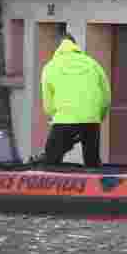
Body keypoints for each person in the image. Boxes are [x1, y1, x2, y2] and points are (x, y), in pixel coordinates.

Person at [40, 33, 111, 168]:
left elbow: (48, 104)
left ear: (57, 48)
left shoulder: (50, 67)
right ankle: (94, 180)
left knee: (50, 161)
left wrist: (55, 117)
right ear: (75, 45)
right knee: (92, 161)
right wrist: (98, 117)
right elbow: (106, 96)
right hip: (91, 119)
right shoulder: (92, 63)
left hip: (64, 119)